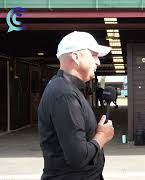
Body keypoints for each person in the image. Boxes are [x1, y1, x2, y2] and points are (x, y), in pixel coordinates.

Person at [38, 31, 114, 180]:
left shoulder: (66, 89)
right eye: (94, 55)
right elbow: (78, 157)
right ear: (76, 57)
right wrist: (102, 136)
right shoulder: (64, 94)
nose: (98, 62)